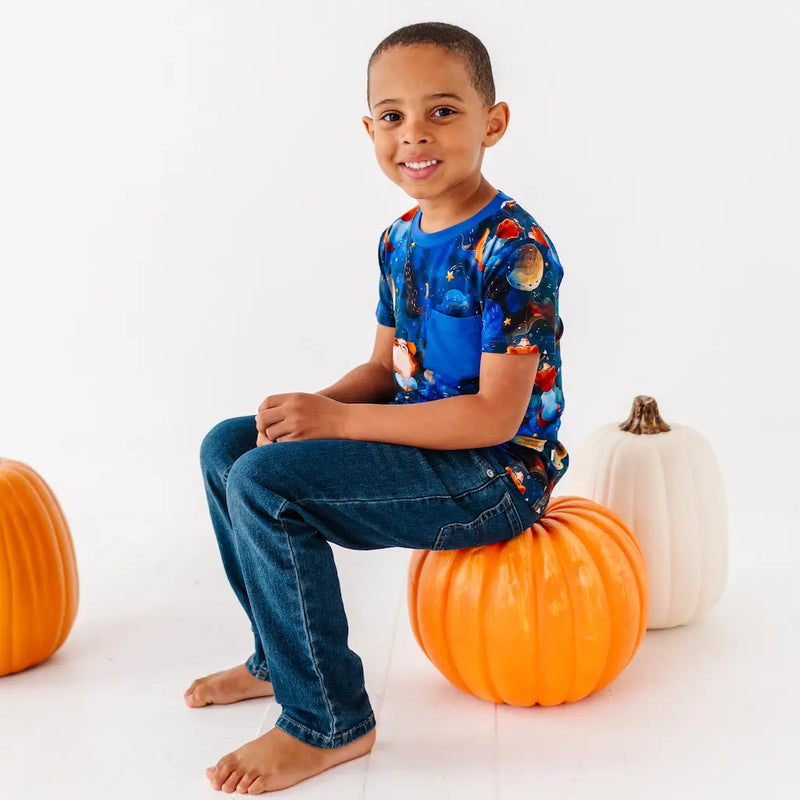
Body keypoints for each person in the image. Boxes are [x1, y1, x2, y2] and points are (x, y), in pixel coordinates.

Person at [186, 20, 569, 795]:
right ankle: (278, 656)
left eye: (443, 111)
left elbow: (495, 418)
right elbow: (382, 369)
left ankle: (328, 720)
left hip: (495, 476)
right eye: (392, 116)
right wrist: (310, 409)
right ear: (370, 130)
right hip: (422, 449)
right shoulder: (400, 240)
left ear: (492, 122)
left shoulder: (513, 250)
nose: (414, 135)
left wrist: (339, 425)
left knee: (268, 485)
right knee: (231, 449)